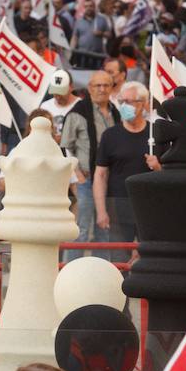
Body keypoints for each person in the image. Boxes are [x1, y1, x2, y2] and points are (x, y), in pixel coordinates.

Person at [93, 82, 156, 253]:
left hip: (149, 209)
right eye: (122, 101)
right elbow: (100, 175)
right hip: (117, 207)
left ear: (142, 104)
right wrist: (101, 211)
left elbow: (170, 175)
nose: (124, 106)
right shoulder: (110, 136)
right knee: (119, 259)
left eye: (129, 101)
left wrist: (158, 166)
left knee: (150, 256)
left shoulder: (155, 134)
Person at [61, 71, 117, 258]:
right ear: (89, 88)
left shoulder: (116, 112)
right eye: (97, 85)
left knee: (105, 230)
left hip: (110, 179)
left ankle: (101, 274)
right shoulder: (77, 112)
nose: (102, 89)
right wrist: (78, 175)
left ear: (112, 88)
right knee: (81, 230)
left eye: (106, 85)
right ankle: (70, 274)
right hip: (86, 177)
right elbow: (66, 146)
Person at [40, 70, 79, 135]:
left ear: (71, 87)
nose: (58, 96)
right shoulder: (45, 107)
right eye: (55, 92)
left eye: (61, 92)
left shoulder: (81, 106)